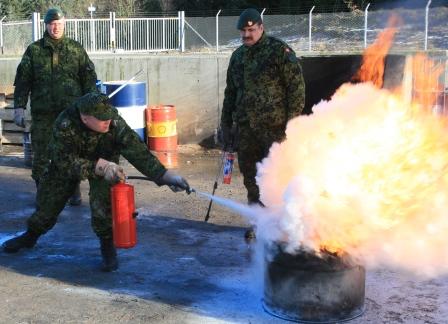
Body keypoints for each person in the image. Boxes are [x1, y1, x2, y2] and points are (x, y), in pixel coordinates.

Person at [3, 92, 191, 272]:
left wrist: (165, 176)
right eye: (102, 118)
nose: (107, 120)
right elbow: (63, 161)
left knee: (104, 202)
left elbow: (136, 150)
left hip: (107, 165)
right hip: (72, 164)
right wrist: (98, 167)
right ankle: (30, 236)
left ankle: (107, 247)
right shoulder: (66, 124)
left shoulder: (114, 121)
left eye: (108, 115)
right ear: (85, 118)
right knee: (48, 204)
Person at [220, 8, 305, 241]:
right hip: (247, 131)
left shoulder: (279, 51)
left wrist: (292, 125)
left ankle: (283, 227)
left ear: (261, 27)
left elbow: (296, 90)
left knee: (277, 178)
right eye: (243, 31)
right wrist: (226, 124)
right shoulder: (237, 57)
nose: (247, 35)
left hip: (275, 131)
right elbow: (230, 93)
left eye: (251, 30)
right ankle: (259, 224)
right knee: (251, 178)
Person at [13, 7, 98, 206]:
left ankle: (73, 190)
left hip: (70, 115)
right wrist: (18, 108)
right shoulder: (34, 51)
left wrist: (92, 107)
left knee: (72, 153)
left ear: (64, 24)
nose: (56, 28)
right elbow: (23, 81)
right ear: (46, 25)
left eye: (59, 24)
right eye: (52, 24)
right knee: (42, 155)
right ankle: (44, 195)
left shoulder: (76, 49)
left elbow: (89, 80)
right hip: (43, 116)